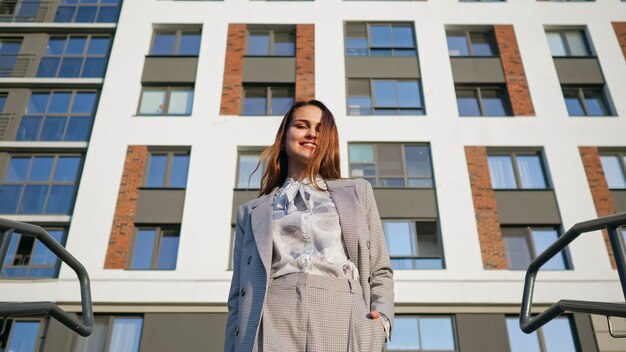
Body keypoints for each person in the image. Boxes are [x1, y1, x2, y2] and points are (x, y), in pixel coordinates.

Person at [225, 100, 394, 352]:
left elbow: (380, 268)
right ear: (283, 138)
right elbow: (238, 296)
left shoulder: (358, 193)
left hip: (342, 312)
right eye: (302, 126)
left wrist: (382, 321)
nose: (311, 133)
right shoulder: (251, 212)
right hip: (271, 314)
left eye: (319, 128)